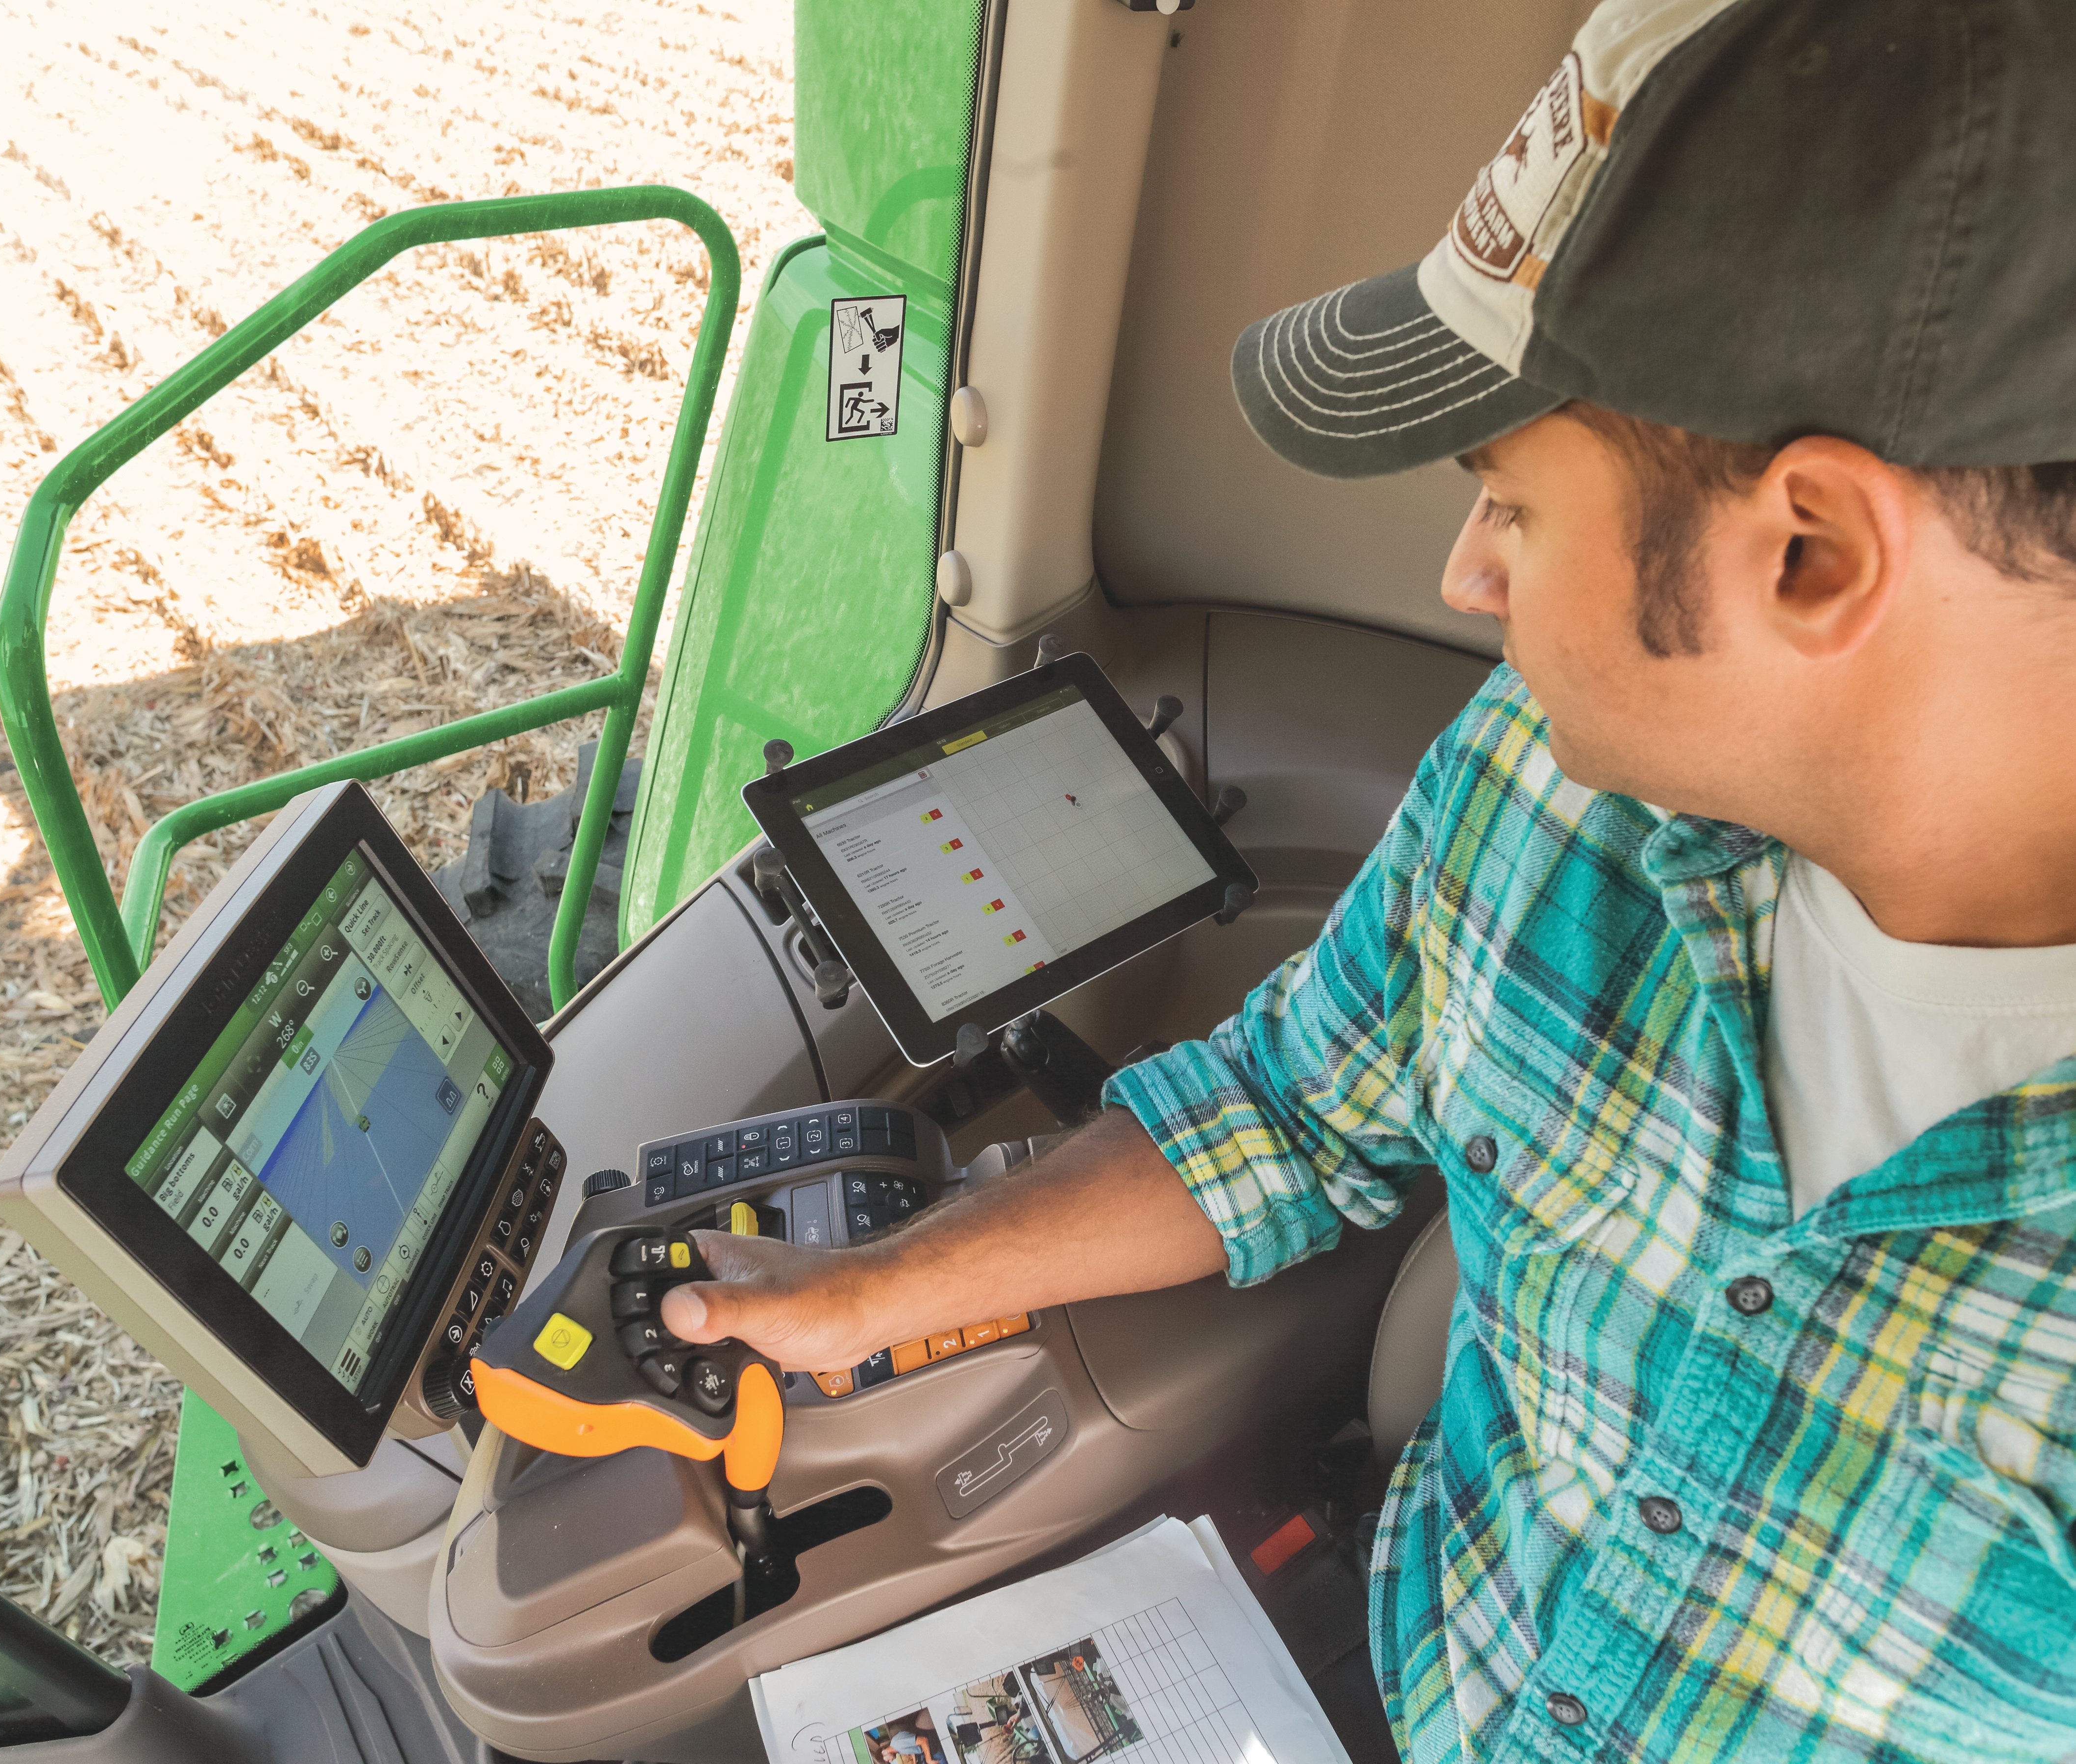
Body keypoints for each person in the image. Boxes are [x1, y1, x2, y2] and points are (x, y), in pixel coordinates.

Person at [662, 1, 2076, 1757]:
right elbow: (1284, 1109)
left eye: (1512, 505)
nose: (1466, 575)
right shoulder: (1542, 794)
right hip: (1389, 1675)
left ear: (1808, 553)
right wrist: (882, 1285)